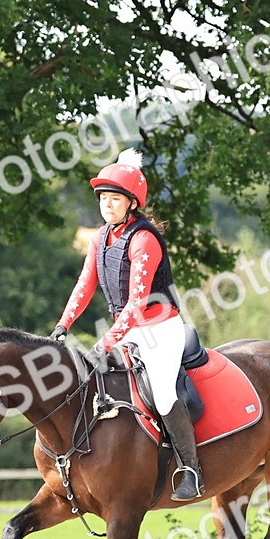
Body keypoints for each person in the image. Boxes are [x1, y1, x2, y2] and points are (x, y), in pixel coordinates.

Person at [49, 148, 205, 501]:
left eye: (114, 198)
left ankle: (191, 469)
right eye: (103, 197)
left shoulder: (144, 239)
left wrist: (104, 344)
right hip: (126, 327)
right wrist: (63, 325)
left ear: (132, 202)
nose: (107, 204)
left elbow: (136, 306)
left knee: (163, 393)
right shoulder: (100, 238)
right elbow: (85, 284)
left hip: (160, 329)